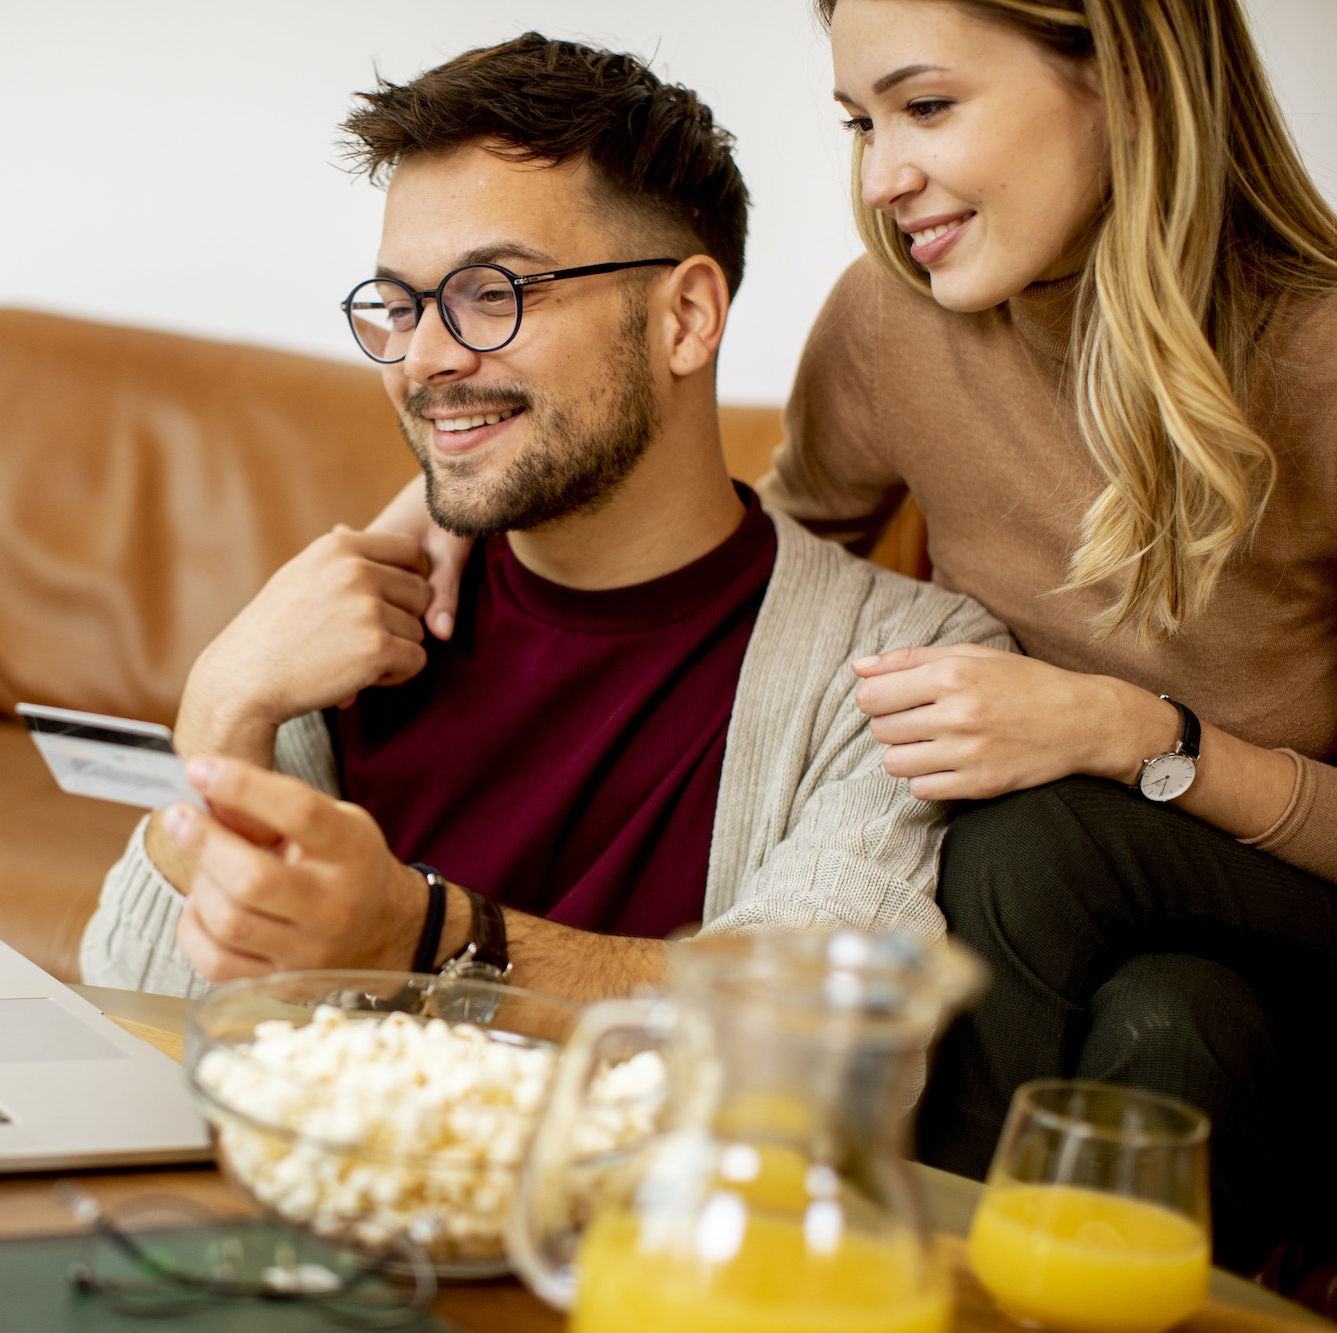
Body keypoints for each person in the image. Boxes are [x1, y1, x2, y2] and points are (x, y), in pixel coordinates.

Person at [377, 0, 1337, 1276]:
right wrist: (461, 493)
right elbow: (766, 563)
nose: (881, 178)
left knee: (1020, 830)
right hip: (1143, 952)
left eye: (925, 107)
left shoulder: (1316, 355)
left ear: (1120, 81)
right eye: (858, 121)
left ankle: (870, 1278)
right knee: (1172, 1028)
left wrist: (1139, 738)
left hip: (1282, 888)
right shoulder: (894, 324)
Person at [78, 34, 1008, 1007]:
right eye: (399, 304)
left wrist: (425, 934)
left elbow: (810, 1035)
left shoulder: (903, 672)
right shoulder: (341, 626)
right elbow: (141, 1010)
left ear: (683, 318)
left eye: (491, 294)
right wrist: (224, 704)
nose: (421, 359)